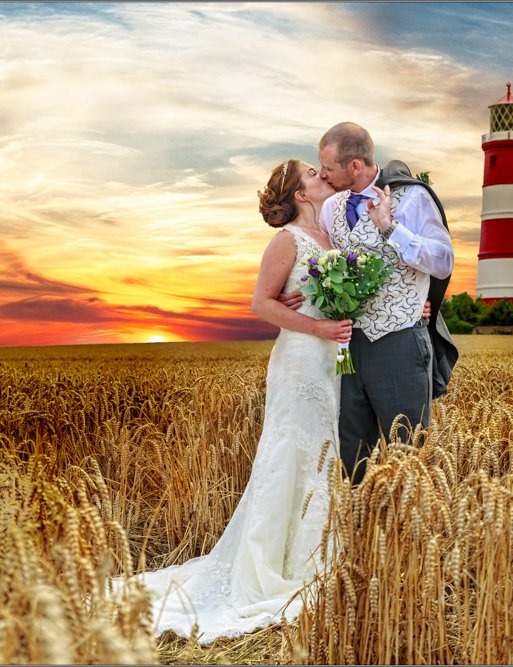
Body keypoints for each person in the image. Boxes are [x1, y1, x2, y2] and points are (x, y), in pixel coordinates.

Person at [112, 160, 348, 644]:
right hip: (302, 360)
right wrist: (318, 325)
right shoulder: (287, 240)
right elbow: (261, 304)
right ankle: (279, 565)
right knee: (292, 453)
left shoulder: (333, 236)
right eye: (310, 171)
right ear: (300, 193)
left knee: (326, 453)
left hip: (334, 360)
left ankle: (321, 553)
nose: (320, 172)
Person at [283, 122, 456, 485]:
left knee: (407, 458)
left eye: (328, 166)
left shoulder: (413, 199)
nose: (324, 173)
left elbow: (443, 261)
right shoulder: (332, 208)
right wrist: (292, 292)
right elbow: (319, 261)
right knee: (351, 460)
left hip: (400, 344)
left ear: (356, 166)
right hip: (347, 351)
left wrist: (391, 229)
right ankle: (357, 533)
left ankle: (406, 537)